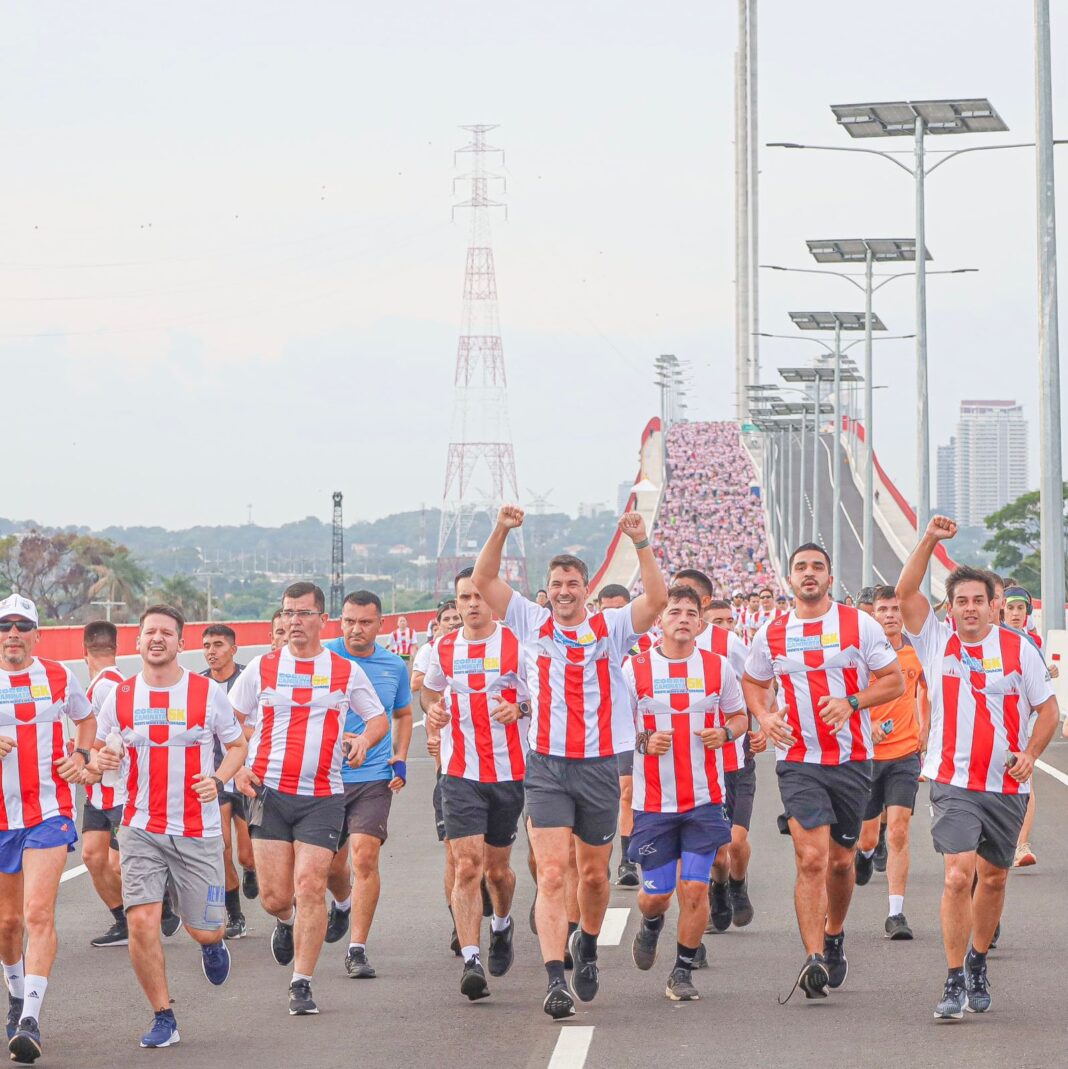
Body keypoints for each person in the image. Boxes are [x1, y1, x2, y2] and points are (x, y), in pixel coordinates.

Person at [472, 506, 667, 1020]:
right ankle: (555, 978)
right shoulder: (529, 621)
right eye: (556, 583)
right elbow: (483, 579)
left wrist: (642, 543)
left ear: (587, 589)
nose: (563, 590)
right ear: (548, 588)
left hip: (600, 765)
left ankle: (588, 943)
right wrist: (501, 530)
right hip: (547, 767)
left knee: (595, 877)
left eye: (573, 583)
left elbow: (659, 600)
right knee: (553, 873)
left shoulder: (611, 627)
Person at [896, 517, 1059, 1020]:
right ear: (951, 608)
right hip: (953, 782)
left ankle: (978, 960)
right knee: (955, 876)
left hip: (1004, 784)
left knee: (992, 879)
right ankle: (951, 979)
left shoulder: (1019, 650)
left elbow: (1049, 710)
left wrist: (1031, 753)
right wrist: (928, 541)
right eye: (960, 601)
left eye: (978, 601)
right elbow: (904, 595)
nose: (969, 609)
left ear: (994, 605)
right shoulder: (935, 641)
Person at [743, 545, 903, 1001]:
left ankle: (834, 935)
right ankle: (813, 956)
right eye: (801, 568)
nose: (809, 574)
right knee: (810, 858)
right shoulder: (772, 632)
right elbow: (754, 682)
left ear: (830, 578)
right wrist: (766, 717)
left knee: (839, 861)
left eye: (818, 567)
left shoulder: (859, 625)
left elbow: (894, 679)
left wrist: (852, 702)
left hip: (851, 759)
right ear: (789, 580)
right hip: (799, 760)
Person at [90, 605, 248, 1050]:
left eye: (166, 632)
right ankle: (164, 1016)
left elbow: (237, 746)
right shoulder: (119, 696)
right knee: (142, 921)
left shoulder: (206, 694)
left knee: (207, 927)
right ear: (137, 642)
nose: (156, 639)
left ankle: (212, 944)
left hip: (198, 831)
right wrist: (101, 760)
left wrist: (217, 780)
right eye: (148, 632)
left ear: (181, 642)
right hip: (139, 827)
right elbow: (100, 752)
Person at [229, 582, 387, 1016]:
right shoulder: (261, 668)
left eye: (303, 613)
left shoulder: (344, 670)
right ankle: (284, 922)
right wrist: (238, 768)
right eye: (287, 614)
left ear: (322, 619)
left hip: (322, 796)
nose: (294, 621)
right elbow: (226, 723)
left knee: (310, 887)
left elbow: (377, 719)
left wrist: (364, 742)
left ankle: (302, 982)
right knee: (277, 897)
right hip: (270, 794)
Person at [624, 586, 746, 1001]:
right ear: (659, 619)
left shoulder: (718, 667)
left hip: (704, 800)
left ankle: (682, 970)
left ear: (700, 622)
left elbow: (739, 716)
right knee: (656, 895)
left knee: (694, 888)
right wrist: (644, 740)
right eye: (673, 611)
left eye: (690, 612)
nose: (681, 618)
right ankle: (652, 924)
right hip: (654, 804)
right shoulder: (634, 669)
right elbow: (618, 728)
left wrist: (725, 733)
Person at [422, 568, 528, 1001]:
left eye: (479, 596)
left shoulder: (518, 645)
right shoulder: (442, 648)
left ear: (493, 602)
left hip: (508, 771)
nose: (471, 604)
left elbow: (540, 696)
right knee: (467, 865)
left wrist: (518, 708)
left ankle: (501, 925)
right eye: (464, 596)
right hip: (459, 771)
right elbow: (431, 694)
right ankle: (471, 959)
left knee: (498, 871)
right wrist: (434, 713)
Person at [0, 594, 94, 1065]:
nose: (12, 633)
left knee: (38, 913)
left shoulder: (59, 676)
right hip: (0, 818)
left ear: (37, 634)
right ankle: (15, 995)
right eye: (5, 625)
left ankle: (30, 1020)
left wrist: (81, 756)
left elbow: (87, 719)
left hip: (48, 813)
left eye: (22, 626)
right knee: (8, 924)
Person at [323, 591, 412, 980]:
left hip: (373, 777)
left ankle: (356, 949)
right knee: (329, 867)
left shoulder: (393, 665)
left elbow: (404, 713)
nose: (355, 630)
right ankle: (342, 902)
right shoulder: (322, 659)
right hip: (323, 778)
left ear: (381, 625)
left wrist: (401, 756)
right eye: (348, 622)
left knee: (364, 858)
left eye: (364, 622)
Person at [672, 574, 763, 931]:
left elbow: (756, 685)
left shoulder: (727, 644)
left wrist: (761, 725)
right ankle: (715, 894)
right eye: (674, 601)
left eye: (690, 601)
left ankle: (735, 884)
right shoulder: (657, 649)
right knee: (709, 853)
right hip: (689, 766)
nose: (682, 611)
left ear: (704, 605)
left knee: (735, 843)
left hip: (734, 760)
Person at [854, 586, 929, 940]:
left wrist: (926, 728)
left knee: (898, 829)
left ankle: (896, 913)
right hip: (868, 756)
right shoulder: (860, 658)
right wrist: (866, 727)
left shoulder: (916, 654)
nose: (890, 615)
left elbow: (930, 691)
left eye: (895, 609)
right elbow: (846, 700)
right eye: (883, 609)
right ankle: (866, 853)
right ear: (873, 614)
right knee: (868, 835)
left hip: (904, 754)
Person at [200, 625, 256, 938]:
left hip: (247, 777)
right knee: (220, 848)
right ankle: (234, 914)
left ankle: (250, 870)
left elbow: (260, 727)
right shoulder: (198, 685)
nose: (211, 651)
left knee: (247, 854)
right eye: (206, 645)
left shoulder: (248, 679)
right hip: (216, 779)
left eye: (218, 645)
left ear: (233, 649)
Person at [80, 621, 130, 948]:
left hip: (119, 791)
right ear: (115, 648)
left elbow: (120, 735)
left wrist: (95, 767)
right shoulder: (103, 683)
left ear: (84, 652)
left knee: (119, 863)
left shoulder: (107, 686)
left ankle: (164, 898)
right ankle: (122, 921)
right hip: (98, 794)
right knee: (92, 856)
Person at [595, 583, 640, 889]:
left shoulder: (642, 646)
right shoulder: (585, 641)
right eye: (606, 610)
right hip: (592, 735)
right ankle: (598, 861)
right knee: (599, 802)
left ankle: (627, 860)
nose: (612, 617)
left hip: (631, 734)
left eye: (619, 610)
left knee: (627, 792)